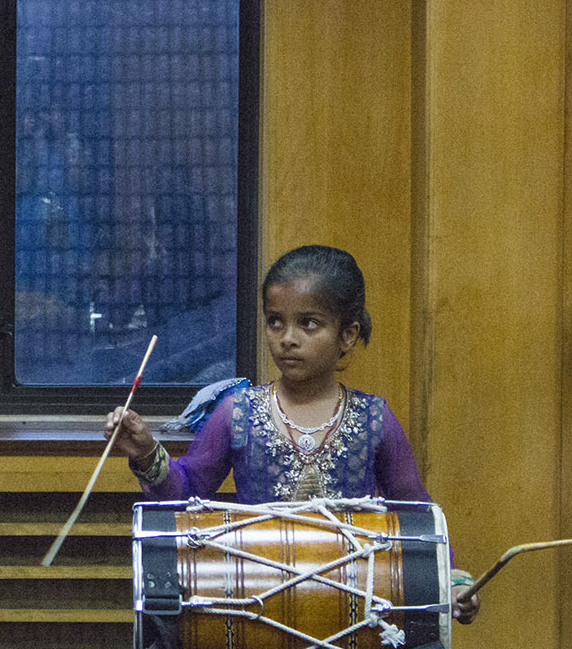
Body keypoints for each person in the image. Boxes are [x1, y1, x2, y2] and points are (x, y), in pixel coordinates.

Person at [103, 244, 478, 622]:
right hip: (257, 609)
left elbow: (415, 512)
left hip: (357, 612)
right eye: (275, 321)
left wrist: (453, 580)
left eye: (308, 323)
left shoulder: (374, 419)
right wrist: (147, 453)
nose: (287, 338)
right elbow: (185, 497)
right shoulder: (238, 412)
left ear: (347, 335)